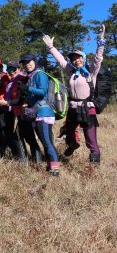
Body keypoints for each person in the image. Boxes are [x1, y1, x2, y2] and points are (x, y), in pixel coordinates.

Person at [43, 24, 106, 164]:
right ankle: (73, 145)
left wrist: (101, 40)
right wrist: (51, 47)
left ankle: (94, 165)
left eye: (79, 58)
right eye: (74, 58)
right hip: (73, 109)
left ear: (83, 58)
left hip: (88, 108)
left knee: (91, 138)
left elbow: (98, 58)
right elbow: (61, 60)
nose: (76, 60)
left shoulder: (91, 72)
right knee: (69, 133)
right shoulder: (71, 72)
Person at [20, 54, 60, 176]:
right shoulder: (31, 76)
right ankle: (50, 165)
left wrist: (28, 88)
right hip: (37, 112)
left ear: (35, 61)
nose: (27, 65)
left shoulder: (40, 74)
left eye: (29, 62)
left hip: (44, 112)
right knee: (44, 141)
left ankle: (55, 168)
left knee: (47, 142)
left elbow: (42, 92)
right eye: (25, 63)